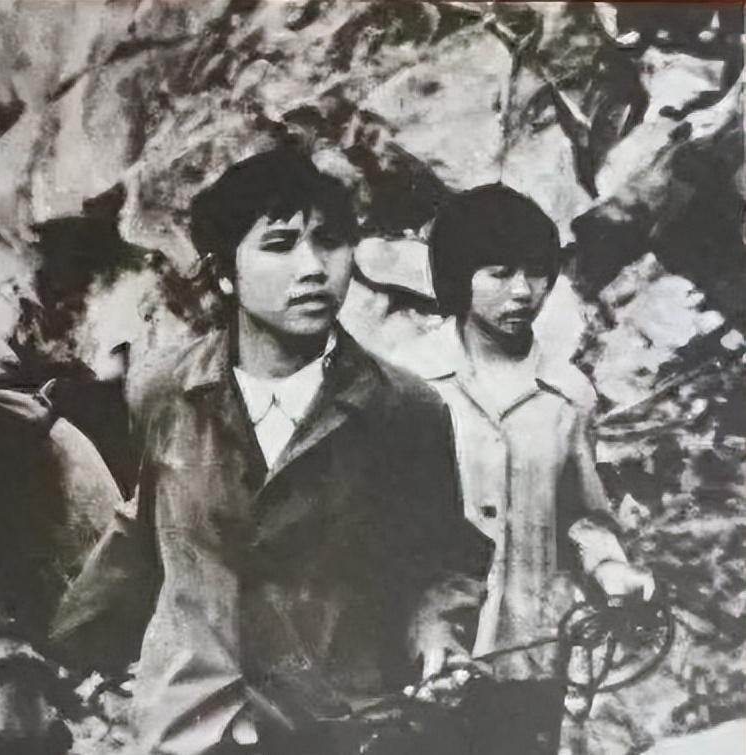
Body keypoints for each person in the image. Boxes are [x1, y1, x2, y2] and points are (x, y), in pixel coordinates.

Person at [50, 147, 492, 755]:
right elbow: (150, 528)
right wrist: (62, 647)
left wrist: (438, 636)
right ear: (224, 273)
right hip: (191, 727)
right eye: (279, 245)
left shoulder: (405, 409)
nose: (312, 268)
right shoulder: (163, 389)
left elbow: (442, 562)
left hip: (340, 726)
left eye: (329, 242)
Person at [405, 184, 655, 751]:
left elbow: (585, 515)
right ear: (458, 275)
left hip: (531, 652)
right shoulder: (409, 384)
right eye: (498, 273)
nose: (522, 291)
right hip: (429, 658)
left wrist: (609, 567)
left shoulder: (569, 394)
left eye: (537, 272)